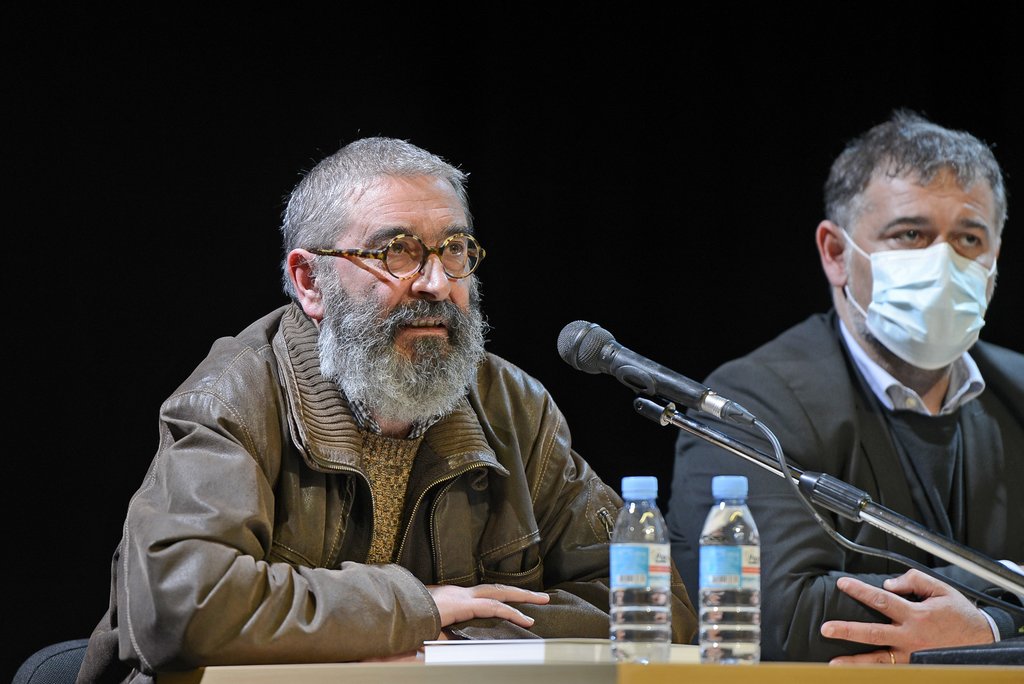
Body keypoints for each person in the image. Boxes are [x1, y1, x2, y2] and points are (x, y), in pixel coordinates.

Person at [76, 137, 698, 683]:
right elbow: (182, 605)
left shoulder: (513, 407)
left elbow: (654, 607)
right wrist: (419, 607)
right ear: (309, 282)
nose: (434, 282)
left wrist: (449, 649)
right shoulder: (233, 398)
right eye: (396, 251)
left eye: (454, 250)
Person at [665, 111, 1023, 664]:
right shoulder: (751, 401)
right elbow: (775, 614)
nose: (944, 263)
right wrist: (1005, 605)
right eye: (911, 234)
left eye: (969, 239)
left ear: (996, 257)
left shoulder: (1017, 389)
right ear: (836, 253)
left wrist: (990, 623)